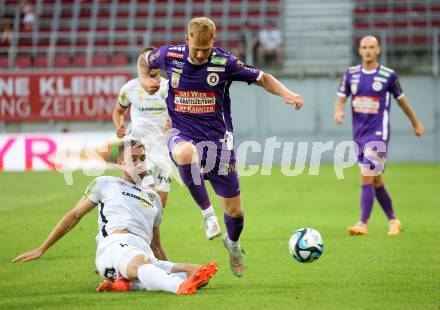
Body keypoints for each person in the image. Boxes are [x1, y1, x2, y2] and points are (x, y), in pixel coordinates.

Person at [137, 17, 303, 277]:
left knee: (235, 212)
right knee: (184, 153)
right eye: (196, 49)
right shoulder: (171, 55)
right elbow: (143, 61)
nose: (201, 54)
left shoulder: (225, 62)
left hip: (218, 145)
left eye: (206, 48)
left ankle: (233, 244)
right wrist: (145, 80)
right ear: (187, 39)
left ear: (213, 41)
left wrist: (287, 94)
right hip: (182, 132)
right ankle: (208, 215)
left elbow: (263, 77)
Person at [12, 139, 218, 295]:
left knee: (197, 272)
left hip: (144, 254)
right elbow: (74, 216)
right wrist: (42, 248)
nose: (139, 163)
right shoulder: (105, 183)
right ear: (120, 163)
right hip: (114, 248)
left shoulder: (153, 198)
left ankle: (126, 283)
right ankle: (178, 287)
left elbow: (156, 245)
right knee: (153, 268)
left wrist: (168, 266)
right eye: (133, 159)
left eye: (142, 159)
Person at [333, 35, 425, 236]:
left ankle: (362, 223)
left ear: (378, 50)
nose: (367, 50)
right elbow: (341, 98)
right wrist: (338, 112)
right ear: (359, 50)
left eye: (371, 47)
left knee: (366, 173)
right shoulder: (350, 74)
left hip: (378, 135)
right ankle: (394, 220)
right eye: (364, 47)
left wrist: (416, 123)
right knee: (376, 181)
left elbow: (402, 101)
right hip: (359, 135)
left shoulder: (388, 75)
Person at [113, 47, 173, 208]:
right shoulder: (129, 88)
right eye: (146, 62)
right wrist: (119, 125)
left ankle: (148, 232)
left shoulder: (168, 87)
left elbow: (179, 113)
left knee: (161, 203)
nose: (150, 66)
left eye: (153, 61)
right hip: (140, 150)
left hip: (162, 148)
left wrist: (174, 121)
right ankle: (135, 229)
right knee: (147, 196)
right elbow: (118, 111)